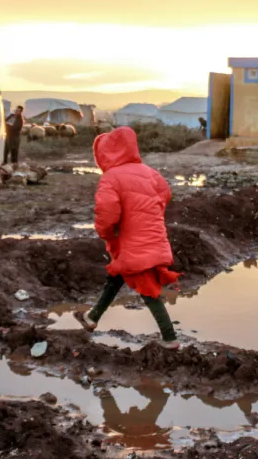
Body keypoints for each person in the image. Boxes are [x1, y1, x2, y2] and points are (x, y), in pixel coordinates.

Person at [75, 126, 180, 349]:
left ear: (105, 153)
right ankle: (92, 318)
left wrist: (106, 233)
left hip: (133, 242)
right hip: (153, 236)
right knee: (117, 275)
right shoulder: (151, 173)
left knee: (147, 290)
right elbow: (165, 194)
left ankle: (170, 339)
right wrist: (149, 215)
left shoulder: (111, 178)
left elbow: (107, 212)